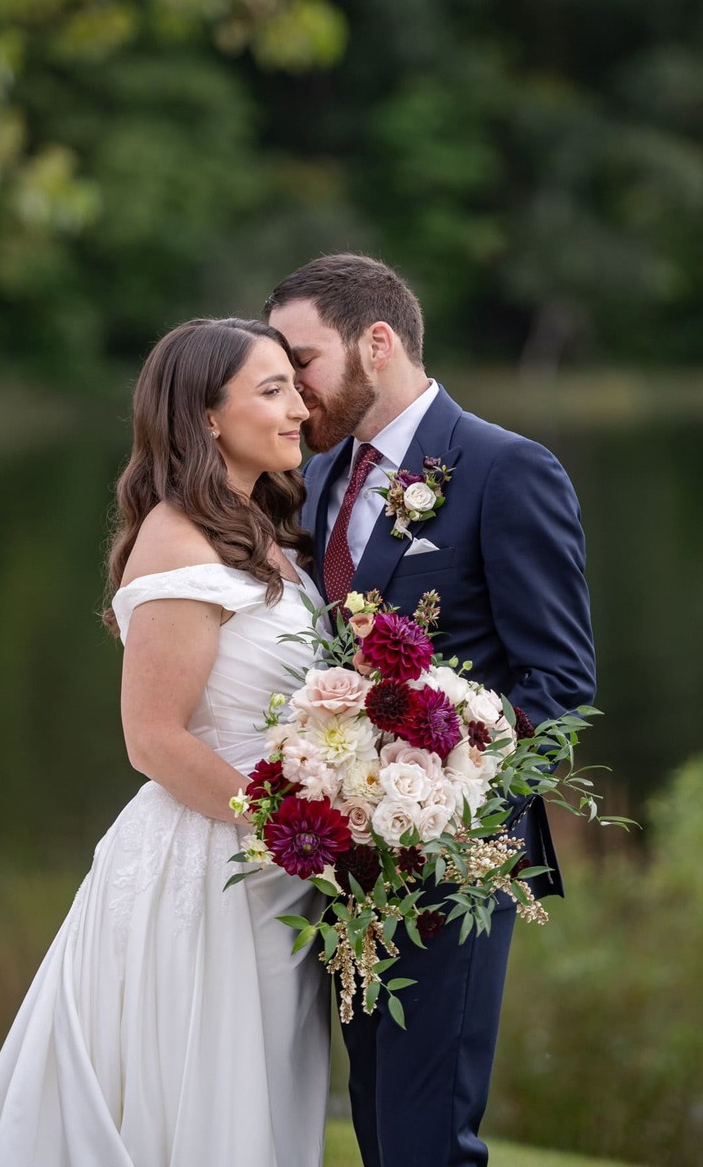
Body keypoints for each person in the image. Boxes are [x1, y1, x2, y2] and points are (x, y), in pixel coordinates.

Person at [0, 318, 331, 1167]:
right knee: (196, 1099)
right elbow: (151, 739)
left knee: (264, 1091)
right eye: (273, 390)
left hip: (270, 872)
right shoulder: (177, 538)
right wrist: (291, 833)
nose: (300, 407)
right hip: (207, 866)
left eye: (294, 386)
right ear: (203, 417)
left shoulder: (262, 525)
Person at [264, 253, 596, 1167]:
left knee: (428, 1137)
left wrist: (443, 812)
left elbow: (559, 688)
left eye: (302, 360)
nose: (291, 389)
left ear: (378, 342)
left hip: (455, 869)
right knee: (376, 1118)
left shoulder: (506, 469)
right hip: (344, 869)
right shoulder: (320, 476)